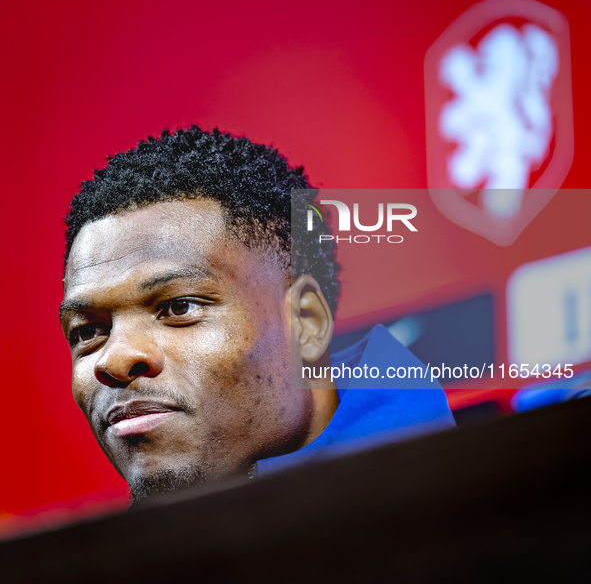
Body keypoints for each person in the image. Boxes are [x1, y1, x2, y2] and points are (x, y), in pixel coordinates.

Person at [59, 125, 455, 503]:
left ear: (306, 323)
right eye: (89, 330)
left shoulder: (474, 519)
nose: (114, 358)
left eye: (179, 307)